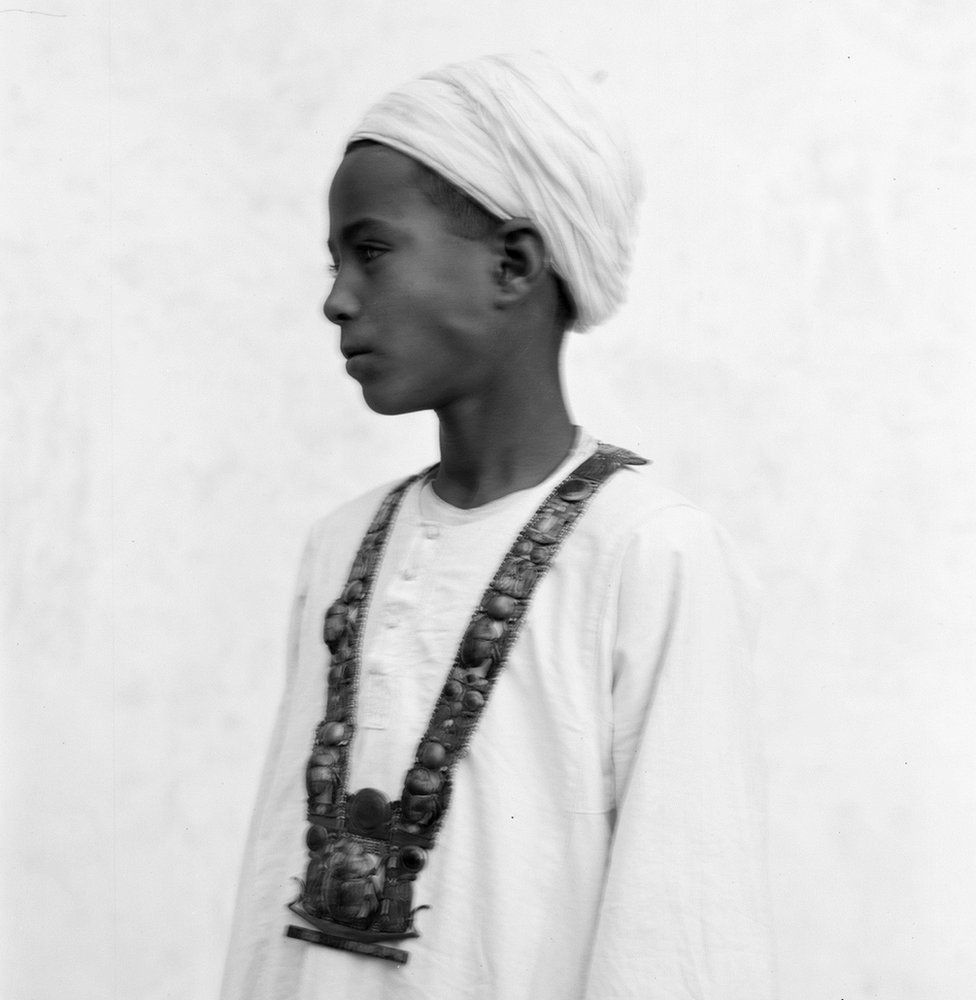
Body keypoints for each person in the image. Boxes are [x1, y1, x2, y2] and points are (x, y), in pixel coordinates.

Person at [221, 52, 774, 1000]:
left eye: (373, 250)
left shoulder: (648, 554)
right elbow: (274, 895)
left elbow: (683, 929)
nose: (336, 298)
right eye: (335, 261)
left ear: (513, 265)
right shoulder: (340, 548)